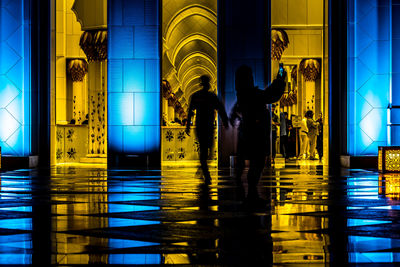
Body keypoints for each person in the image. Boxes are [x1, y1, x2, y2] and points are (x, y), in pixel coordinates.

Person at [230, 65, 286, 200]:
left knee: (247, 160)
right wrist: (280, 80)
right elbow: (271, 95)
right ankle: (250, 192)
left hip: (246, 132)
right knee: (257, 162)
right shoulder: (254, 95)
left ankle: (243, 188)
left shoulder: (242, 97)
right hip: (257, 134)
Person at [186, 75, 229, 184]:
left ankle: (203, 168)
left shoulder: (196, 96)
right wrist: (225, 122)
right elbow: (221, 109)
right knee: (208, 150)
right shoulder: (211, 96)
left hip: (201, 126)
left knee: (205, 150)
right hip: (208, 126)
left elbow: (190, 111)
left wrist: (188, 126)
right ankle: (206, 172)